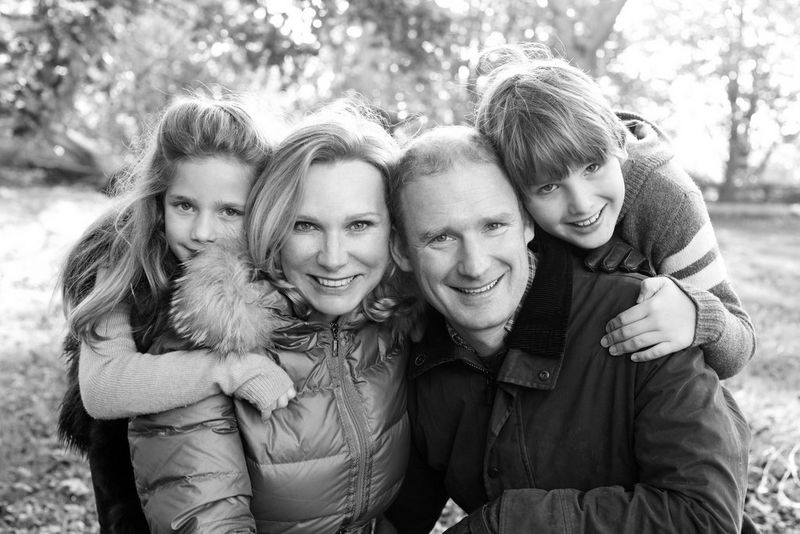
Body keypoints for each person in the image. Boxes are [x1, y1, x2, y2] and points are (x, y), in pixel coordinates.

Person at [384, 126, 752, 533]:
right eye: (440, 237)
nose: (474, 265)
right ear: (400, 250)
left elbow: (706, 519)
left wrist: (505, 525)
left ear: (527, 224)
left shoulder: (646, 319)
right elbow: (396, 517)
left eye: (494, 226)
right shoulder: (420, 355)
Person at [115, 104, 418, 532]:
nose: (333, 259)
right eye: (305, 225)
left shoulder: (394, 317)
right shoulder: (211, 335)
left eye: (359, 225)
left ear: (394, 231)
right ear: (272, 225)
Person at [57, 95, 295, 532]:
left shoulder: (274, 265)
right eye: (184, 205)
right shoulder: (117, 261)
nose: (203, 232)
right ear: (159, 197)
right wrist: (230, 369)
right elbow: (102, 388)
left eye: (229, 211)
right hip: (128, 477)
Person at [474, 43, 755, 379]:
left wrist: (699, 316)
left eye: (592, 167)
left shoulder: (667, 199)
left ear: (618, 143)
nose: (582, 204)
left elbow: (740, 346)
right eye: (549, 187)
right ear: (518, 195)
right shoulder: (506, 211)